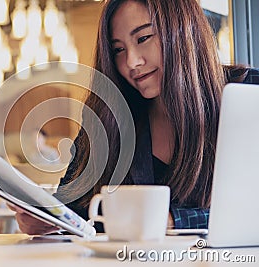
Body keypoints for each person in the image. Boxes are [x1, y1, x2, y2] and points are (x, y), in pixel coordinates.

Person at [13, 0, 259, 235]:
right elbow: (76, 208)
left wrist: (173, 221)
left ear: (184, 31)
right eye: (118, 49)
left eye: (143, 38)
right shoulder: (107, 116)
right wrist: (49, 219)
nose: (131, 62)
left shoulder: (248, 92)